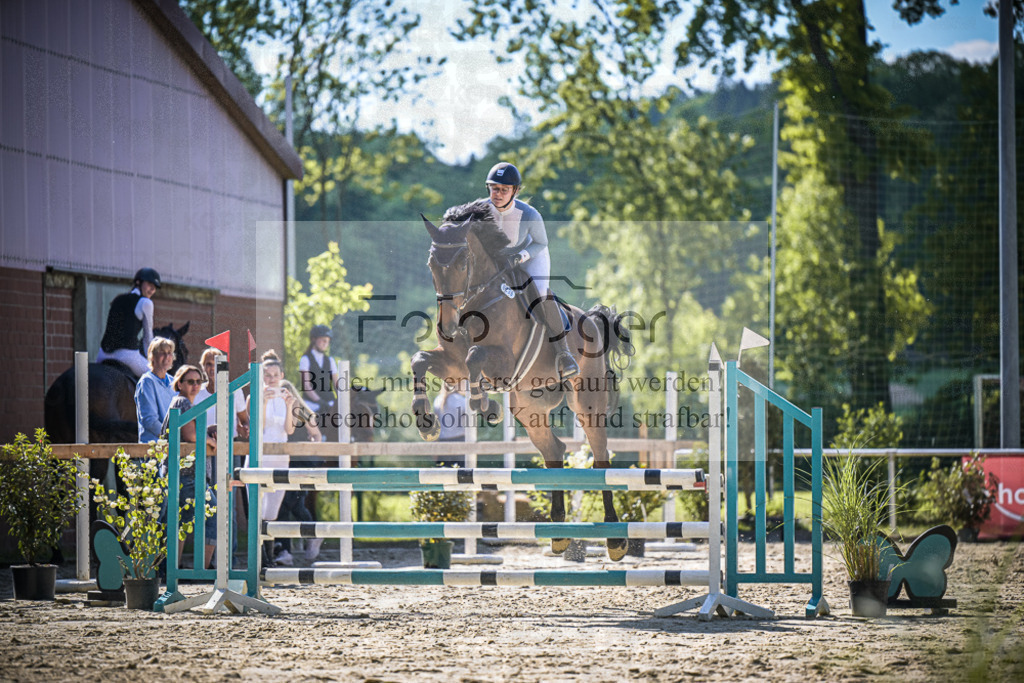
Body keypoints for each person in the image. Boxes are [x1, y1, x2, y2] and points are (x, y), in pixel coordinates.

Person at [484, 162, 578, 380]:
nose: (497, 194)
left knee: (540, 294)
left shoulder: (529, 214)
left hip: (530, 256)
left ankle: (564, 353)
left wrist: (520, 257)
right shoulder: (480, 210)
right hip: (498, 260)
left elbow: (540, 243)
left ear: (515, 191)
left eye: (504, 190)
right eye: (494, 188)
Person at [160, 364, 217, 569]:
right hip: (188, 475)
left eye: (198, 382)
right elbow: (190, 436)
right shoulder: (183, 402)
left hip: (179, 474)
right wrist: (211, 441)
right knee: (214, 516)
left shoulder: (180, 403)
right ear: (180, 383)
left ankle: (171, 569)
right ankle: (202, 568)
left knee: (181, 523)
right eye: (190, 381)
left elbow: (190, 430)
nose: (195, 385)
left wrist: (208, 430)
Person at [245, 350, 296, 566]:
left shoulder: (286, 396)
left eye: (275, 375)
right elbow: (259, 427)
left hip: (280, 457)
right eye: (267, 375)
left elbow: (290, 430)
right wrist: (263, 403)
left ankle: (269, 556)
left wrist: (291, 405)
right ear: (261, 377)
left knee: (272, 512)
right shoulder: (252, 397)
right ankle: (260, 559)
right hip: (260, 456)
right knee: (258, 511)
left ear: (281, 375)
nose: (272, 379)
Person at [275, 379, 324, 565]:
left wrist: (312, 449)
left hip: (300, 462)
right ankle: (287, 548)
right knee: (286, 505)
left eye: (287, 393)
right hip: (283, 461)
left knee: (292, 503)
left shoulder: (301, 412)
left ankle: (304, 538)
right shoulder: (277, 413)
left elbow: (317, 435)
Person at [97, 268, 162, 377]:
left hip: (103, 354)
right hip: (127, 356)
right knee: (157, 377)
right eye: (150, 284)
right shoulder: (146, 303)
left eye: (155, 287)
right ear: (138, 282)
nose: (152, 289)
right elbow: (148, 337)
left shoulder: (118, 299)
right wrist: (152, 361)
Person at [196, 347, 250, 442]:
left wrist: (245, 428)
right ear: (203, 367)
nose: (213, 367)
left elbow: (244, 420)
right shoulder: (197, 391)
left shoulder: (235, 391)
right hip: (203, 446)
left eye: (217, 364)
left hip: (230, 446)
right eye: (209, 364)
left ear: (223, 367)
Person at [298, 324, 339, 442]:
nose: (325, 343)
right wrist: (319, 401)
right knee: (306, 417)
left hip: (328, 400)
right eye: (323, 340)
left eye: (327, 341)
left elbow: (336, 384)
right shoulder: (305, 359)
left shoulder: (330, 360)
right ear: (314, 340)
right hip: (311, 401)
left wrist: (343, 398)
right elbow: (306, 386)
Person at [135, 337, 176, 443]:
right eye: (162, 352)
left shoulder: (174, 382)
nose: (167, 357)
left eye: (169, 353)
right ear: (152, 357)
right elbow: (150, 421)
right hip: (153, 449)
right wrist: (173, 437)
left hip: (173, 448)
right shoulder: (147, 381)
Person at [433, 380, 468, 468]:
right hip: (460, 441)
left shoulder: (437, 400)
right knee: (462, 475)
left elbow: (435, 426)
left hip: (443, 443)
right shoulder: (462, 400)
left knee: (443, 475)